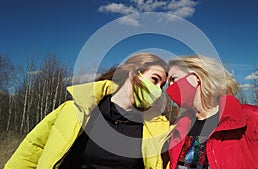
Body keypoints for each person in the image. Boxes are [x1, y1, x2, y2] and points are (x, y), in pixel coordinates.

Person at [5, 53, 170, 169]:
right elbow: (33, 149)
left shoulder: (154, 127)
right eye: (154, 80)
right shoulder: (75, 110)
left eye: (162, 86)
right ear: (132, 71)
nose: (157, 90)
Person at [163, 55, 258, 169]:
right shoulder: (179, 129)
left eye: (174, 79)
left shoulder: (255, 120)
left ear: (196, 77)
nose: (170, 89)